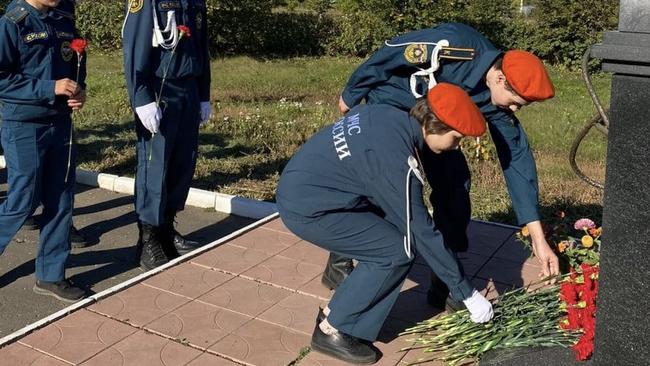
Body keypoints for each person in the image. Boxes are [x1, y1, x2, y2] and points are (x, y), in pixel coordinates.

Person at [326, 22, 560, 310]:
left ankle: (447, 281)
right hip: (392, 107)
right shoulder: (456, 46)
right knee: (386, 187)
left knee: (455, 183)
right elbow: (392, 52)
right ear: (500, 78)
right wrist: (351, 94)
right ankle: (340, 259)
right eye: (516, 103)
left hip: (436, 124)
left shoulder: (495, 99)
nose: (513, 110)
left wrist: (537, 237)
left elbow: (516, 157)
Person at [277, 83, 494, 364]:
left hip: (308, 188)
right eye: (456, 138)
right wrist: (467, 293)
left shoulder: (390, 116)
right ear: (435, 126)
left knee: (395, 240)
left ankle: (340, 310)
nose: (457, 145)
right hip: (310, 209)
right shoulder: (396, 162)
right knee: (395, 252)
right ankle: (334, 330)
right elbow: (421, 230)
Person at [0, 0, 86, 302]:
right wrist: (49, 88)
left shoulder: (62, 18)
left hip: (60, 123)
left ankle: (51, 275)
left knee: (61, 198)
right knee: (22, 201)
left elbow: (74, 63)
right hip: (25, 126)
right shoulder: (14, 22)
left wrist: (79, 91)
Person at [122, 0, 212, 270]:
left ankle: (166, 227)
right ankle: (148, 238)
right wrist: (141, 98)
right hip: (160, 92)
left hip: (189, 89)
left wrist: (204, 94)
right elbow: (134, 46)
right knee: (155, 166)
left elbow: (201, 46)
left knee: (183, 163)